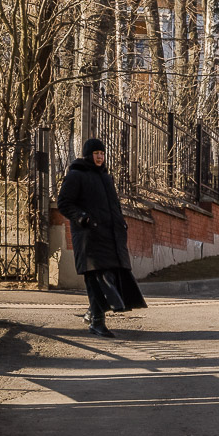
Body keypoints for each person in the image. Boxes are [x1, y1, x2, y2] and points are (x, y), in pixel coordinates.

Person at [56, 137, 147, 337]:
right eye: (97, 154)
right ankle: (97, 322)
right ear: (89, 155)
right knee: (99, 279)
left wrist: (121, 224)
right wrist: (82, 218)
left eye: (102, 154)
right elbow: (63, 203)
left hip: (110, 236)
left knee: (112, 277)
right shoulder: (76, 175)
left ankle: (92, 313)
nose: (100, 157)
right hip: (90, 236)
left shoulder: (106, 177)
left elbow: (113, 206)